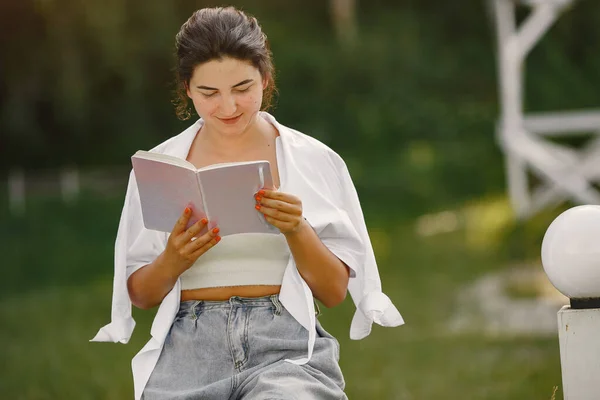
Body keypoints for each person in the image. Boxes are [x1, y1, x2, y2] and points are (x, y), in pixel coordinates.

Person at [92, 6, 404, 400]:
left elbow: (334, 291)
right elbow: (141, 294)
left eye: (243, 89)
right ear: (187, 88)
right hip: (188, 351)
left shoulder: (310, 159)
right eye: (209, 93)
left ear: (265, 79)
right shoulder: (161, 166)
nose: (228, 107)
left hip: (283, 346)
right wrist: (174, 258)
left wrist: (296, 228)